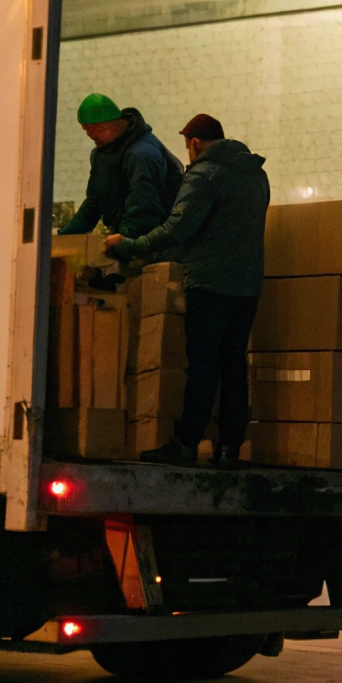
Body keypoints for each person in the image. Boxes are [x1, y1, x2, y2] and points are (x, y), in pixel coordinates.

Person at [107, 115, 268, 467]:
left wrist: (133, 245)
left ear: (195, 143)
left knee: (203, 367)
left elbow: (179, 228)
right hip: (247, 287)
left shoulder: (204, 175)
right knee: (234, 367)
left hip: (209, 284)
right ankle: (229, 449)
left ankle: (186, 446)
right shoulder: (256, 175)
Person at [58, 93, 183, 243]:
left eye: (94, 130)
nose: (91, 136)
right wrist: (64, 237)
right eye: (86, 131)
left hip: (152, 243)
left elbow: (143, 206)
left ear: (107, 125)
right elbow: (94, 202)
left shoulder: (141, 154)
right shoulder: (103, 153)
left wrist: (124, 239)